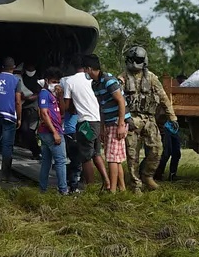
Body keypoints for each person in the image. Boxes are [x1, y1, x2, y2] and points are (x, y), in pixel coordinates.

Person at [117, 46, 178, 193]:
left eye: (137, 60)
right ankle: (135, 184)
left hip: (149, 119)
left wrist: (172, 117)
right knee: (133, 155)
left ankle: (147, 176)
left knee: (157, 150)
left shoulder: (151, 77)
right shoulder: (122, 78)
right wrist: (126, 118)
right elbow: (118, 100)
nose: (134, 63)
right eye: (132, 60)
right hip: (132, 119)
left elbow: (163, 98)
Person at [61, 55, 108, 192]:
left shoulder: (70, 81)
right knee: (96, 153)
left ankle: (90, 187)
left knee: (86, 158)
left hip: (85, 123)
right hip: (98, 121)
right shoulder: (93, 79)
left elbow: (68, 106)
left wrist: (69, 106)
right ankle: (107, 181)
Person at [86, 54, 128, 193]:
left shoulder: (108, 80)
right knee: (116, 158)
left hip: (117, 121)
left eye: (86, 70)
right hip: (109, 122)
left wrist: (121, 124)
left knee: (111, 158)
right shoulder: (95, 84)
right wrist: (103, 127)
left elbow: (121, 101)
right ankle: (122, 189)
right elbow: (101, 106)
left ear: (90, 69)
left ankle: (113, 190)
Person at [36, 66, 69, 194]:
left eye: (57, 82)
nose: (55, 84)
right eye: (53, 81)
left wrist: (60, 95)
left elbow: (62, 112)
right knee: (61, 161)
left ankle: (43, 189)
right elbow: (44, 114)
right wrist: (55, 133)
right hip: (51, 132)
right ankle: (63, 190)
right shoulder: (44, 94)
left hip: (49, 131)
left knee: (46, 161)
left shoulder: (52, 96)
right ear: (46, 80)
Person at [19, 61, 43, 160]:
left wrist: (28, 98)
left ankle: (37, 151)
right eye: (28, 69)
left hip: (33, 109)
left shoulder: (38, 79)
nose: (30, 71)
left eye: (31, 69)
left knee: (29, 130)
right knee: (25, 130)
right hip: (23, 108)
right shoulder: (22, 78)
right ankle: (36, 151)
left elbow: (38, 94)